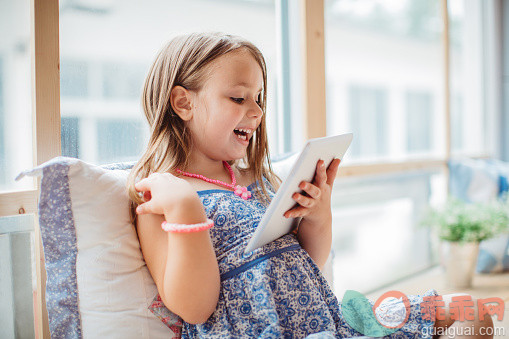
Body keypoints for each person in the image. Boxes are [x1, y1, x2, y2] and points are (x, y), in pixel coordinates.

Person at [127, 32, 494, 338]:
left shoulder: (253, 179)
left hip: (331, 320)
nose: (256, 112)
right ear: (182, 103)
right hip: (270, 331)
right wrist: (185, 209)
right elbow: (193, 308)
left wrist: (319, 215)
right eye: (238, 98)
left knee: (470, 311)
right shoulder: (161, 195)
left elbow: (308, 263)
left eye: (259, 99)